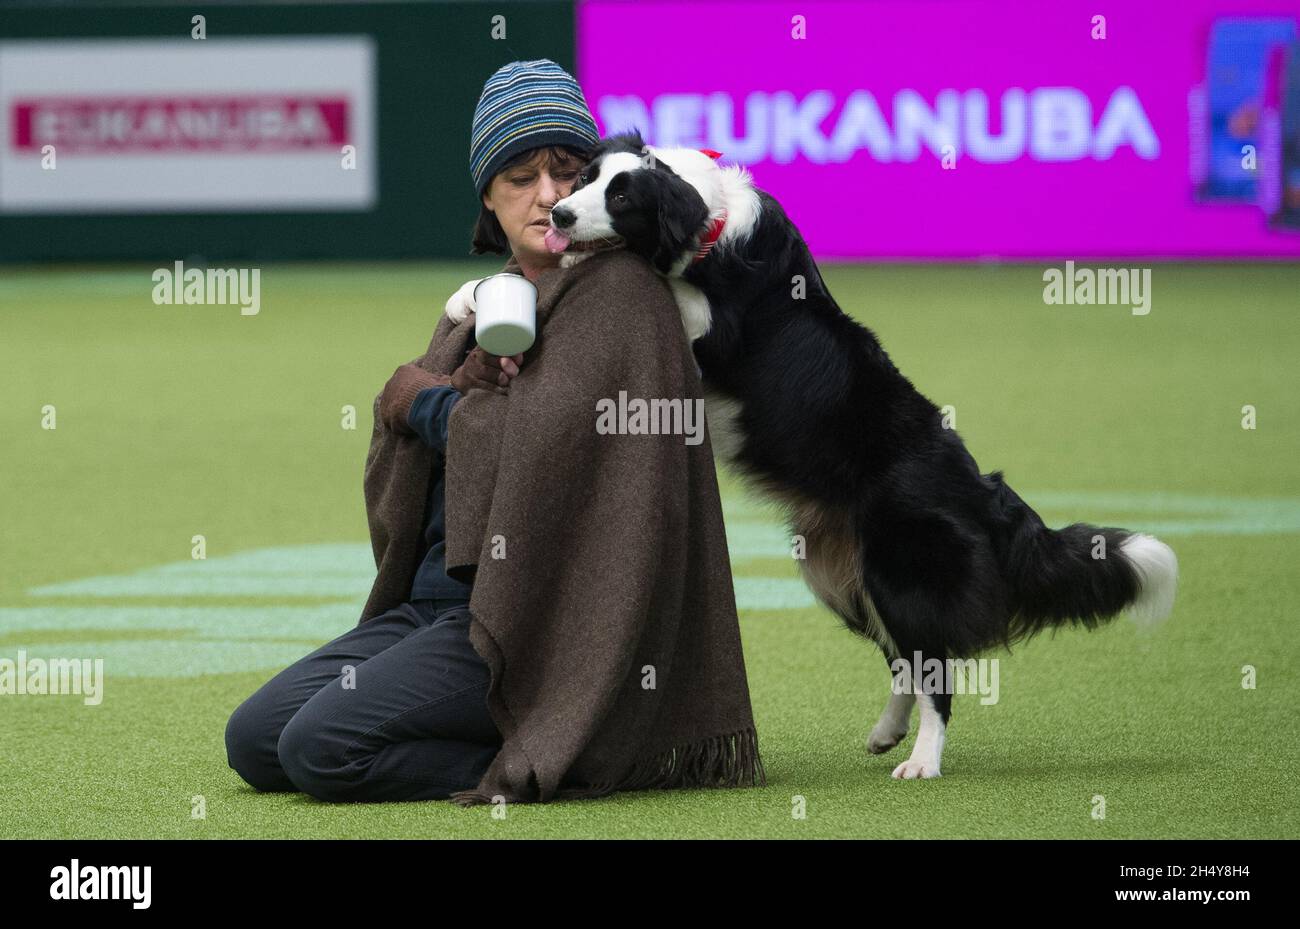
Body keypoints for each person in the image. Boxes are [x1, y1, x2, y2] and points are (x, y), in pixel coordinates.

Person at [225, 60, 764, 805]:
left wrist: (417, 400)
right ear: (488, 193)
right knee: (254, 741)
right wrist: (440, 395)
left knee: (322, 749)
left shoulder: (621, 294)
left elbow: (540, 447)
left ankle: (563, 758)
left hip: (535, 619)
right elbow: (425, 451)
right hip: (435, 602)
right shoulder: (490, 300)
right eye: (520, 176)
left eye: (567, 171)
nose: (548, 196)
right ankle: (525, 737)